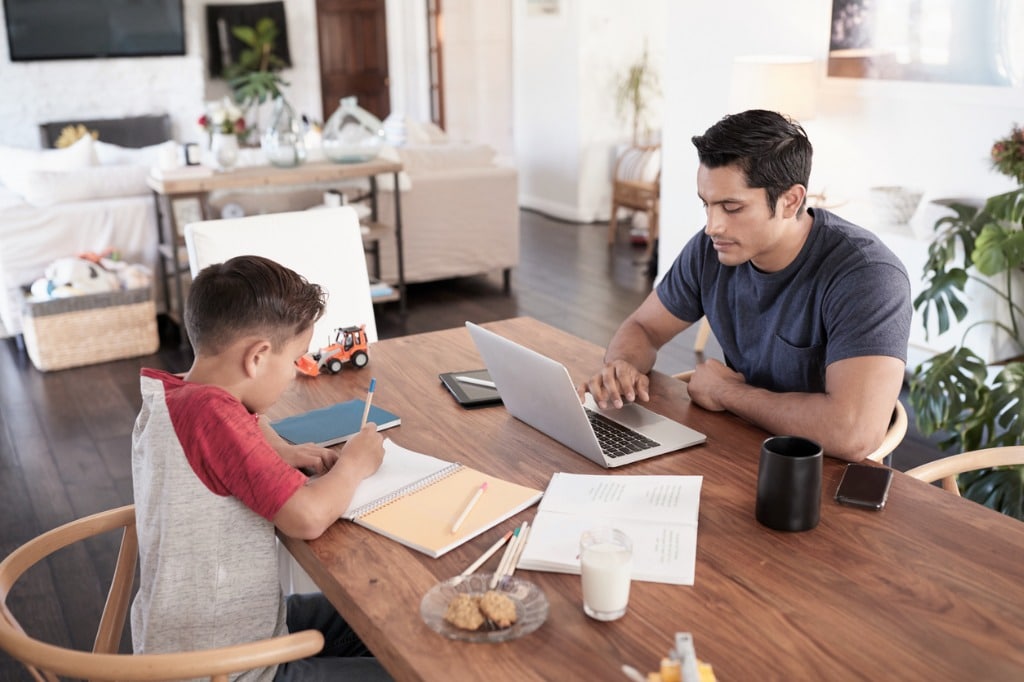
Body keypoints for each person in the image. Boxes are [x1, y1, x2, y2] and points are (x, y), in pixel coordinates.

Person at [579, 109, 911, 461]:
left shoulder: (868, 276)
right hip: (740, 446)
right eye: (706, 205)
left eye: (731, 207)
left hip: (824, 476)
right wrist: (622, 365)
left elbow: (853, 433)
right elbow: (644, 326)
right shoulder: (711, 250)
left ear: (790, 201)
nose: (712, 226)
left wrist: (727, 393)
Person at [131, 255, 392, 681]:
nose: (294, 375)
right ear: (257, 357)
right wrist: (355, 463)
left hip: (209, 633)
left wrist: (274, 449)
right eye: (295, 361)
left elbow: (235, 432)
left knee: (385, 615)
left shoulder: (175, 396)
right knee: (403, 659)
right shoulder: (214, 416)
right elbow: (306, 518)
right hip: (227, 668)